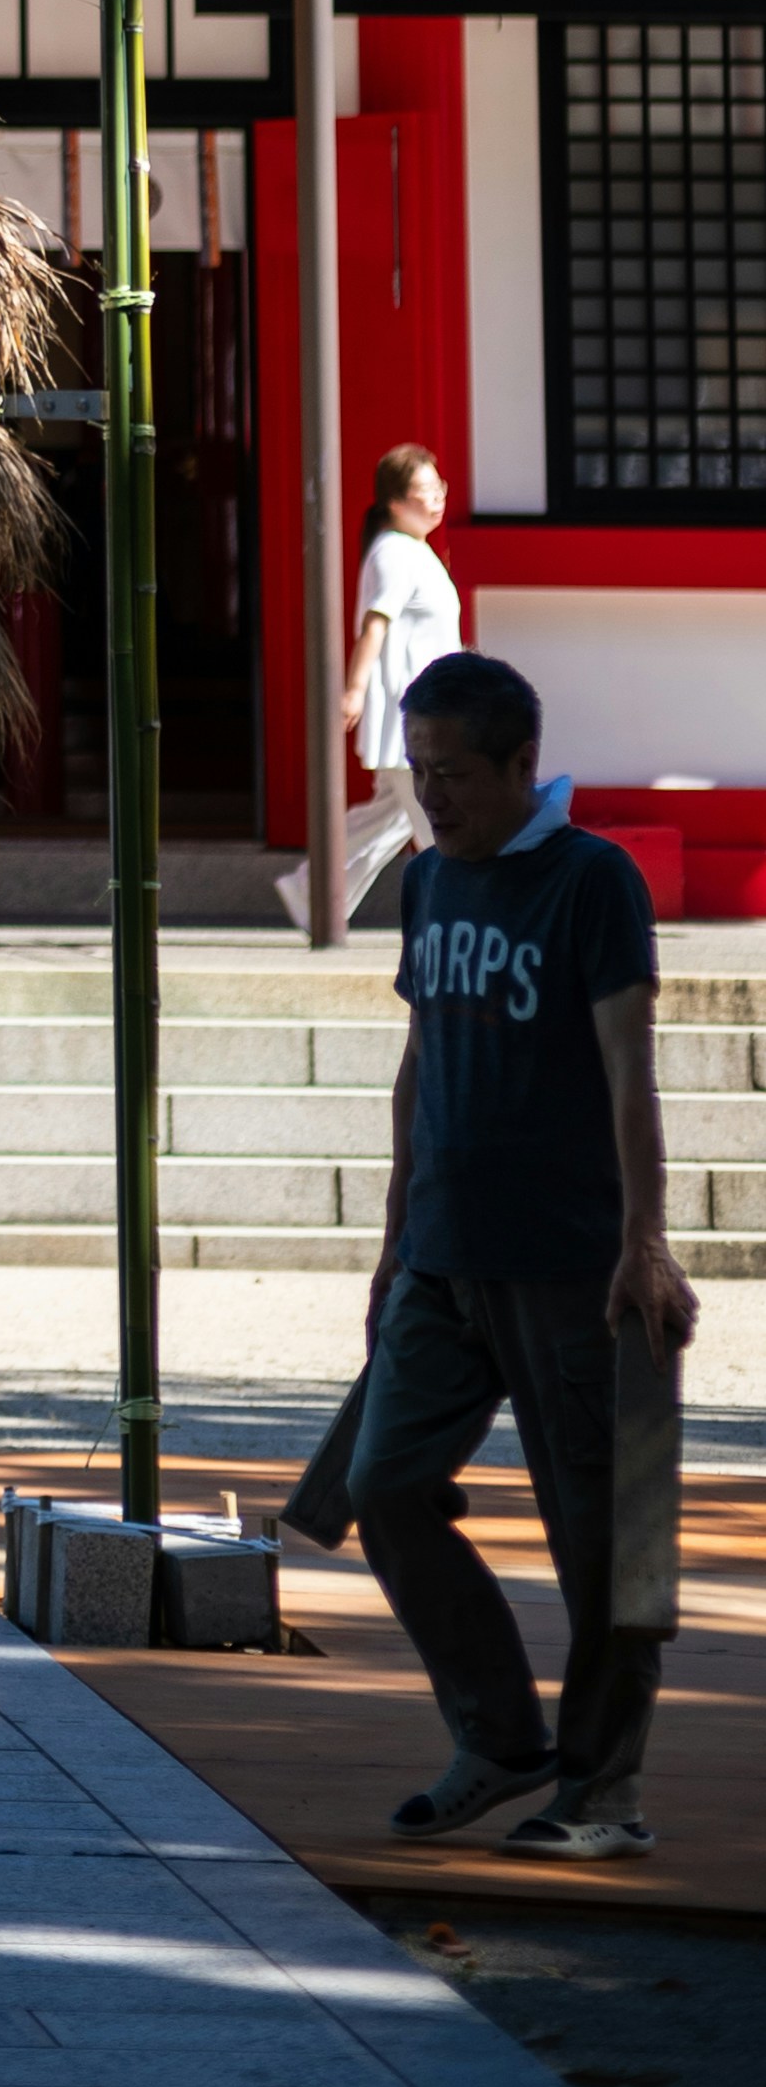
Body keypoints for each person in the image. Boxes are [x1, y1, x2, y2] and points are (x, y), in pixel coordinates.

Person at [350, 645, 698, 1859]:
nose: (430, 795)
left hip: (570, 1259)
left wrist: (642, 1238)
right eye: (416, 769)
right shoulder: (426, 881)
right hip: (444, 1251)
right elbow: (417, 1063)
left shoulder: (589, 881)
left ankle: (602, 1790)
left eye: (452, 773)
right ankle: (497, 1735)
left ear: (520, 766)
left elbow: (627, 1067)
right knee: (380, 1487)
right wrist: (391, 1242)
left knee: (608, 1535)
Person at [281, 444, 459, 936]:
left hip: (427, 710)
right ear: (395, 501)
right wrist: (354, 689)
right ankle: (461, 911)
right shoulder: (395, 552)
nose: (437, 499)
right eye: (425, 490)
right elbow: (374, 626)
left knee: (392, 818)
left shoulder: (413, 551)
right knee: (434, 818)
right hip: (410, 710)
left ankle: (311, 890)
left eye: (439, 487)